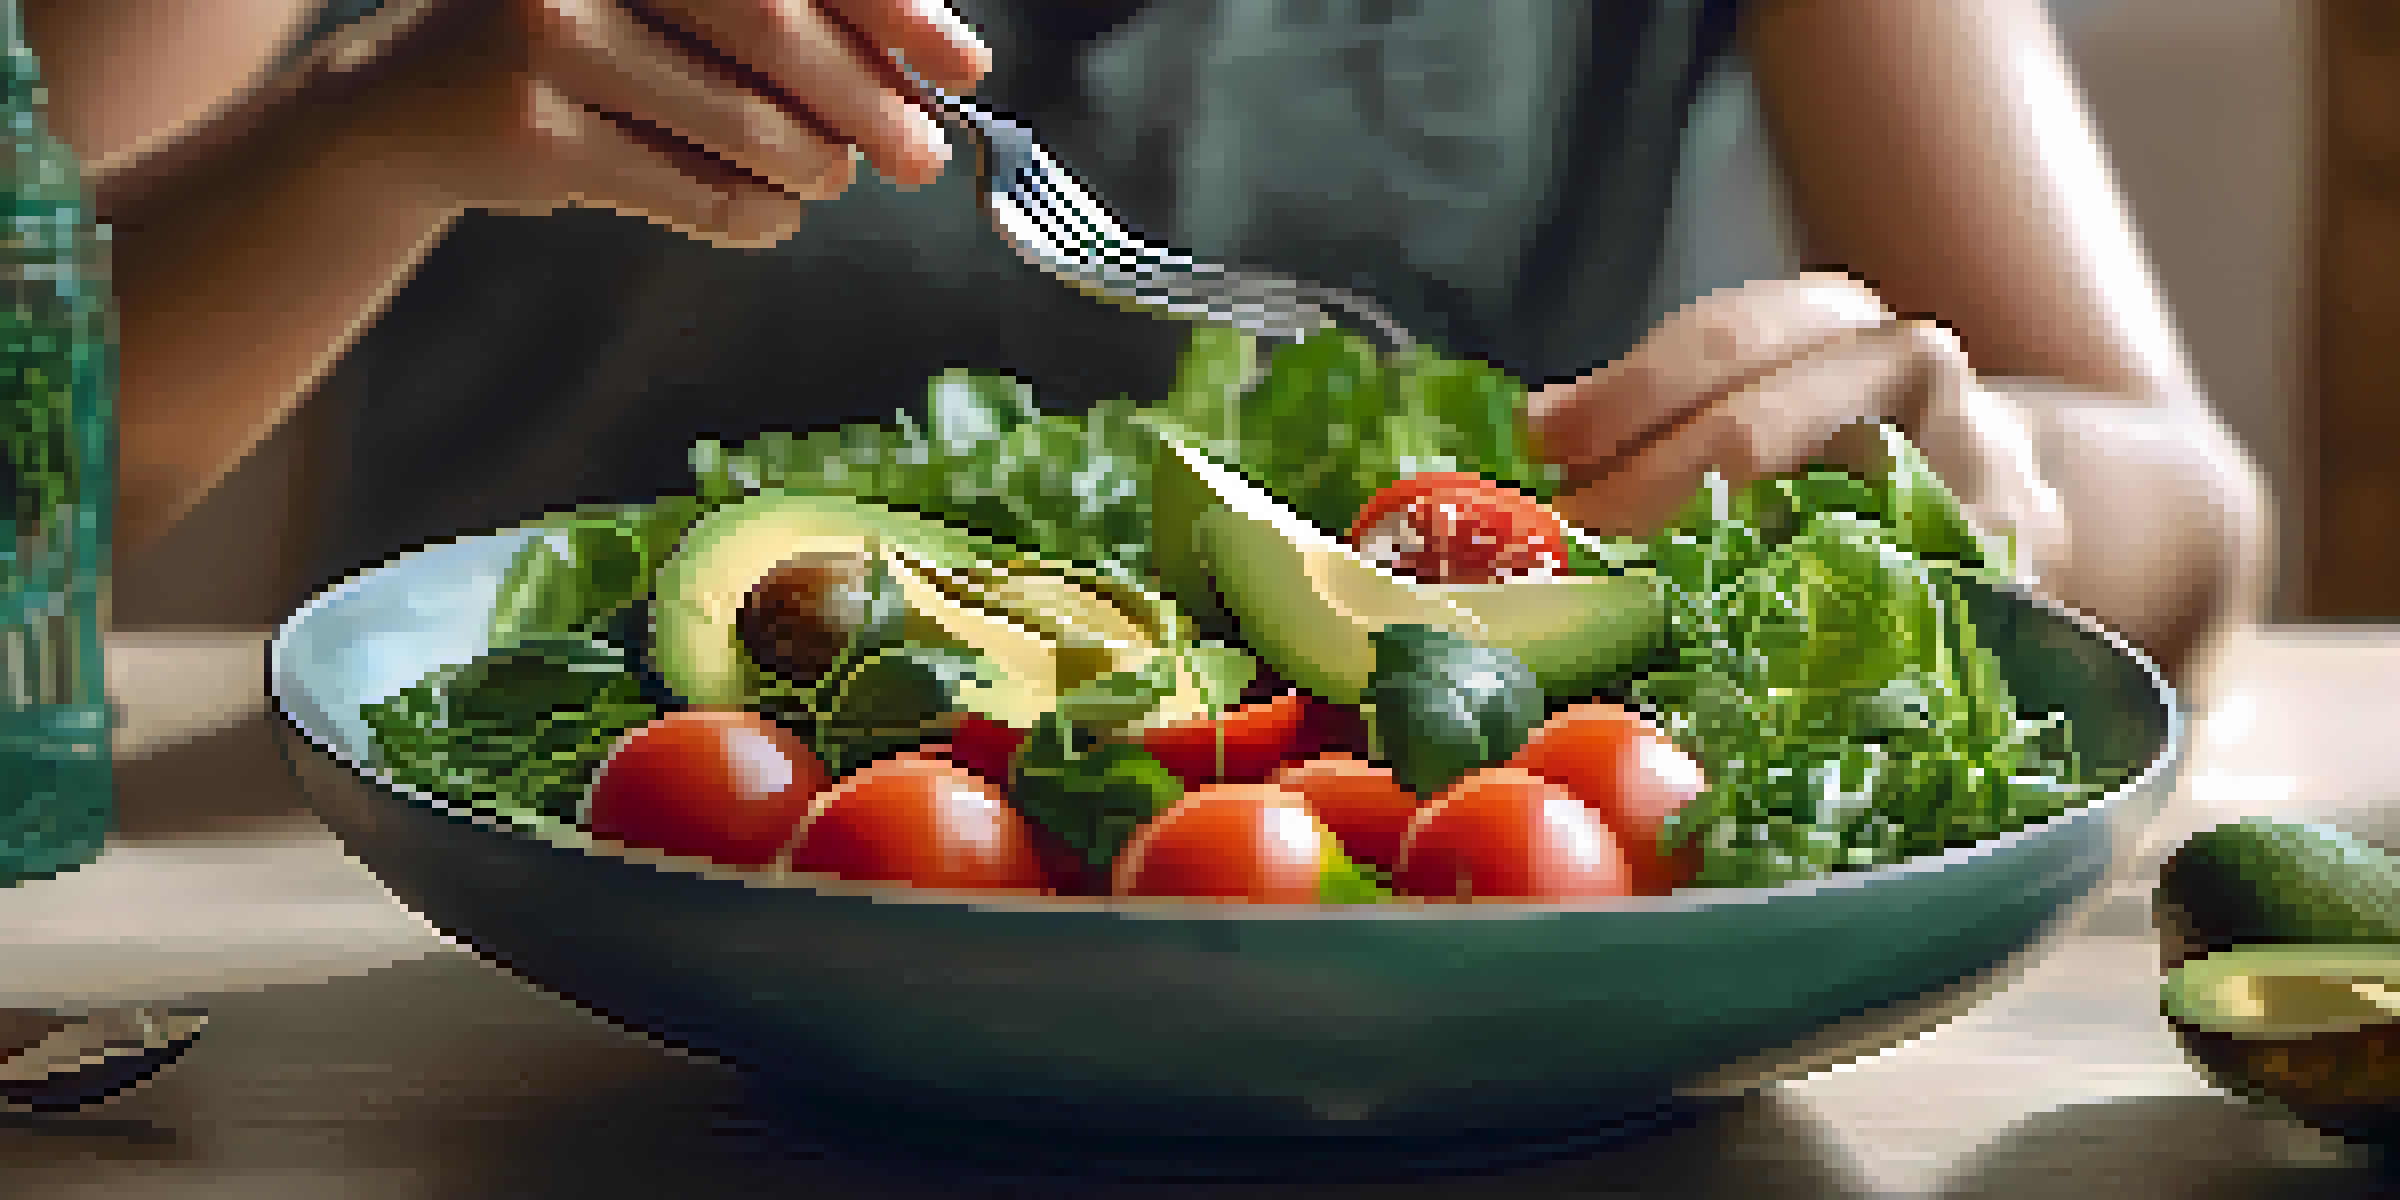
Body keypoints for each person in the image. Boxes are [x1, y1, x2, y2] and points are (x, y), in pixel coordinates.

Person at [4, 0, 2268, 1102]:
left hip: (1527, 1045)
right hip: (516, 1041)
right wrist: (357, 128)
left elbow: (2186, 516)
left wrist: (1974, 469)